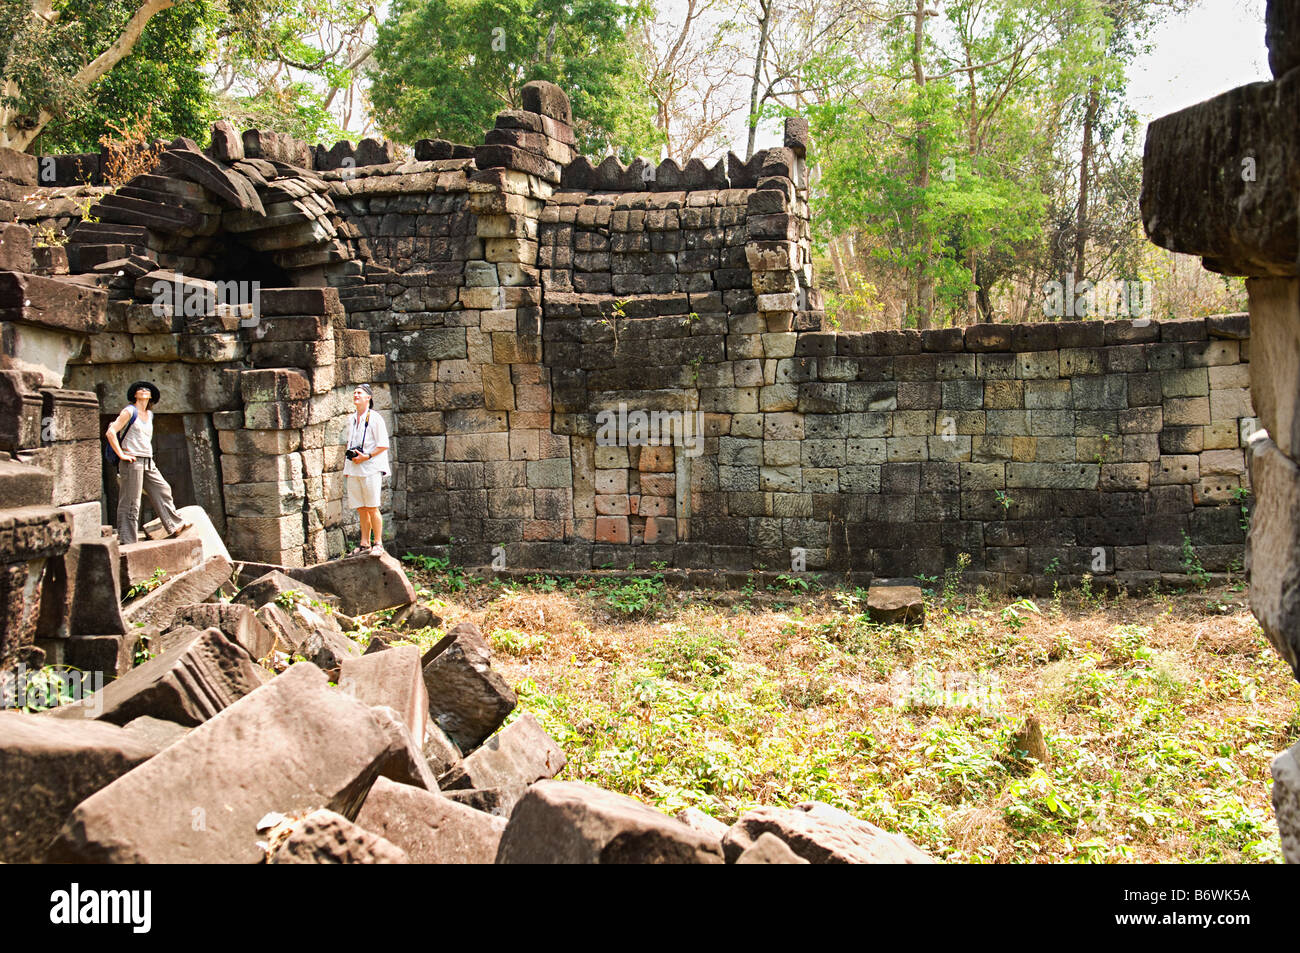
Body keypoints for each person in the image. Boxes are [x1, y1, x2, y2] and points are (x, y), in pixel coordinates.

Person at [105, 381, 192, 545]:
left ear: (151, 396)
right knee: (131, 501)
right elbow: (111, 432)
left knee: (163, 488)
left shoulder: (150, 415)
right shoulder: (129, 411)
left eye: (147, 389)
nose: (144, 391)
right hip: (132, 461)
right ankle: (127, 539)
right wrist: (122, 454)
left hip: (147, 460)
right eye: (140, 389)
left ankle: (174, 525)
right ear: (134, 395)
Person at [343, 383, 390, 556]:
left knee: (372, 507)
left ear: (368, 397)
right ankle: (364, 544)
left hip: (370, 468)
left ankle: (378, 543)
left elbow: (383, 445)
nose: (355, 395)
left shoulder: (375, 418)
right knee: (361, 508)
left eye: (359, 393)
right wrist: (348, 466)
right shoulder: (352, 418)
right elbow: (350, 444)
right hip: (354, 469)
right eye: (354, 392)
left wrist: (366, 456)